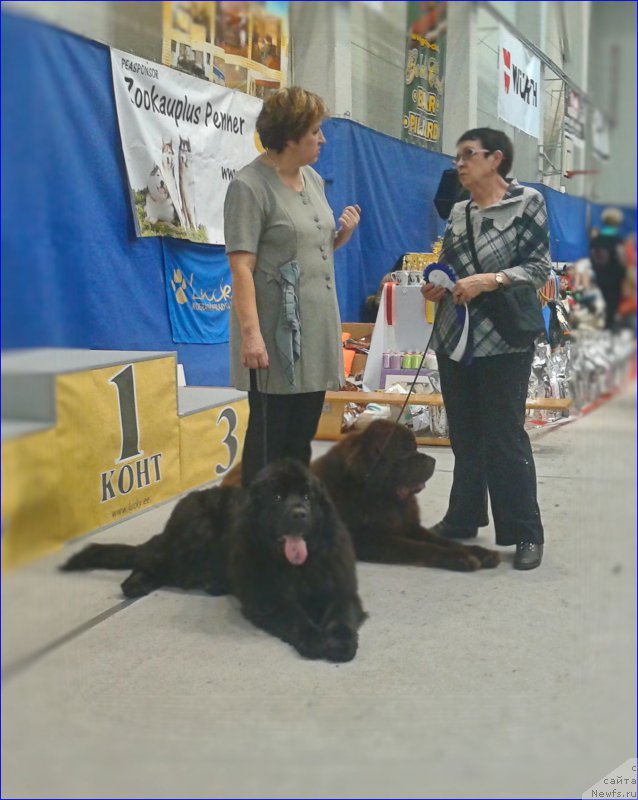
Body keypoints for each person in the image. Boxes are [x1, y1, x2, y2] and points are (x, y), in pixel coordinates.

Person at [421, 128, 550, 570]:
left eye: (468, 155)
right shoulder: (458, 212)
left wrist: (491, 280)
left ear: (495, 159)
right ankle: (463, 517)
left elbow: (538, 266)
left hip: (505, 339)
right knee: (465, 434)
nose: (459, 163)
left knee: (505, 436)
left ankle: (525, 532)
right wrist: (437, 285)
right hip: (456, 337)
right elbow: (450, 263)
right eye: (457, 156)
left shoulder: (527, 203)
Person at [223, 86, 361, 487]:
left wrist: (341, 236)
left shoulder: (313, 179)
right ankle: (256, 527)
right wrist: (252, 336)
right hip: (274, 334)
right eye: (315, 132)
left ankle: (295, 525)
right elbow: (242, 268)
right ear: (289, 137)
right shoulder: (249, 187)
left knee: (301, 437)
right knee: (269, 440)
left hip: (316, 327)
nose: (322, 139)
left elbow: (303, 247)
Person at [589, 207, 627, 330]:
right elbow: (622, 260)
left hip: (599, 279)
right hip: (614, 281)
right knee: (611, 310)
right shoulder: (617, 241)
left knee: (601, 309)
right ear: (617, 223)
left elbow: (592, 259)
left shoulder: (595, 240)